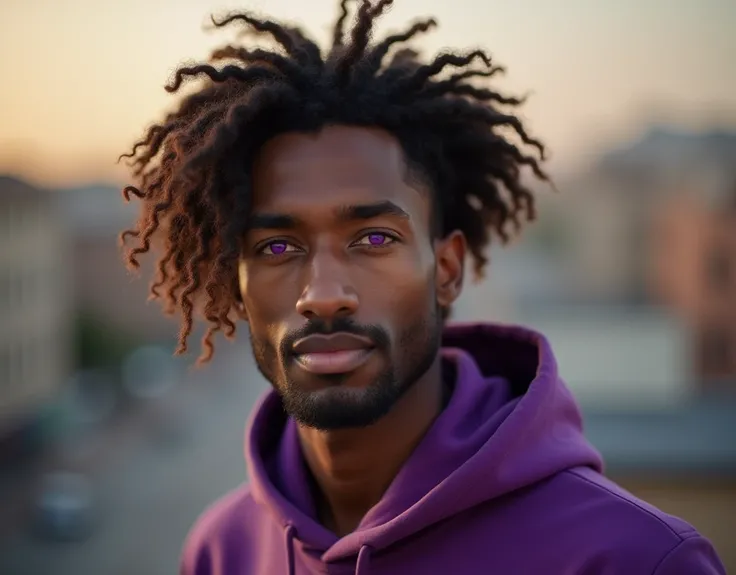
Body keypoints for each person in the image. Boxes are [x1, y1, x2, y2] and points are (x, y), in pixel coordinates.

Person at [119, 1, 726, 573]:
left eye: (374, 238)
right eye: (277, 247)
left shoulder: (633, 559)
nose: (323, 294)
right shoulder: (220, 549)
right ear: (236, 285)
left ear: (448, 270)